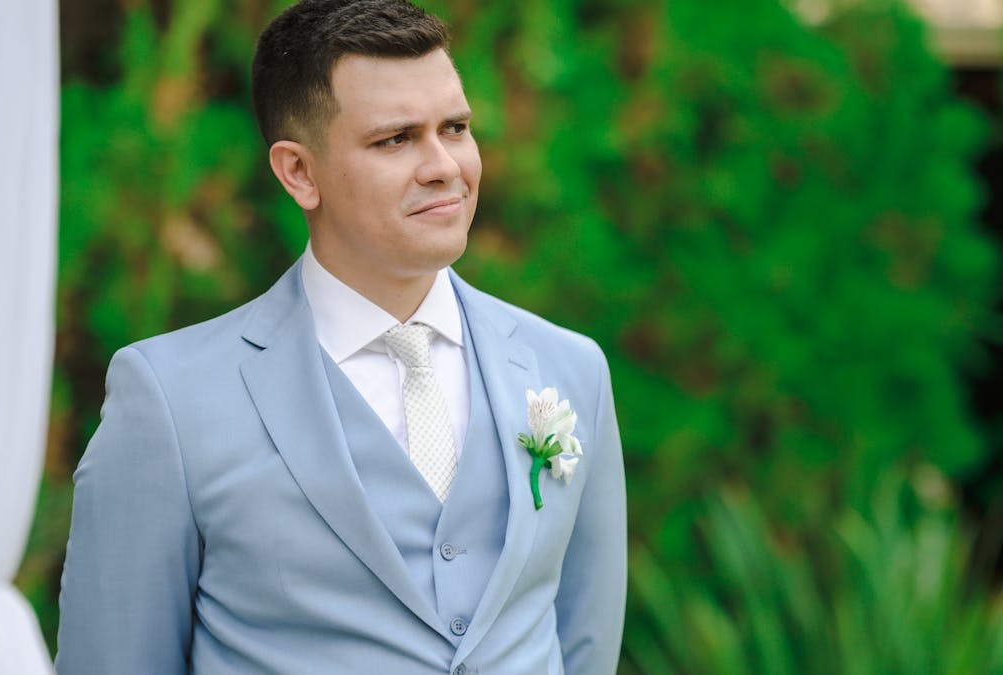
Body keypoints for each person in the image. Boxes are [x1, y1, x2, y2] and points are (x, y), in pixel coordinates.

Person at [54, 1, 627, 673]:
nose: (444, 166)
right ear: (299, 172)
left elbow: (585, 642)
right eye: (396, 139)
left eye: (455, 128)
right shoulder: (170, 402)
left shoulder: (569, 369)